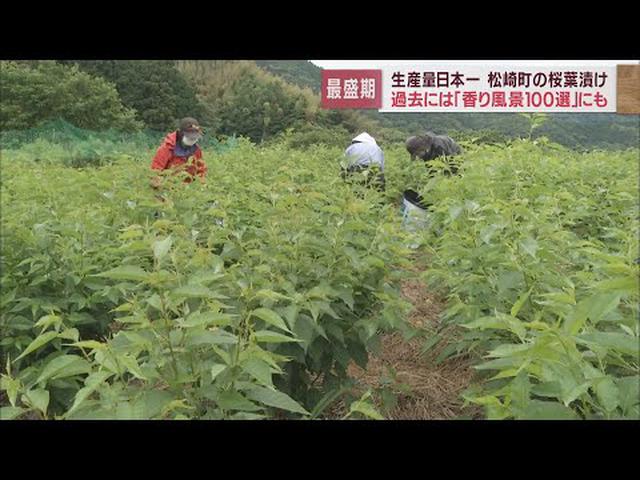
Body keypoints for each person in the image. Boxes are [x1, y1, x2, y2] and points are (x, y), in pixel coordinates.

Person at [150, 117, 207, 189]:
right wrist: (161, 185)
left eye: (194, 138)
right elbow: (155, 171)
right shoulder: (166, 149)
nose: (192, 140)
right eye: (189, 137)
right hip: (167, 188)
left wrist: (201, 185)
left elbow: (201, 171)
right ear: (180, 134)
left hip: (188, 190)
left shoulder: (196, 150)